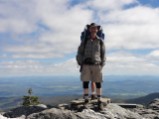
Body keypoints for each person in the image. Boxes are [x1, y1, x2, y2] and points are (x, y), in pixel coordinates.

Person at [76, 23, 106, 110]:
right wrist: (81, 62)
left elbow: (103, 54)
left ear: (97, 30)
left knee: (98, 83)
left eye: (95, 28)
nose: (93, 29)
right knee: (85, 82)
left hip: (97, 64)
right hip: (86, 64)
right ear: (89, 29)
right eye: (92, 28)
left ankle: (99, 100)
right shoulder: (85, 41)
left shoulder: (100, 41)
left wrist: (102, 64)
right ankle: (86, 100)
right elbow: (80, 52)